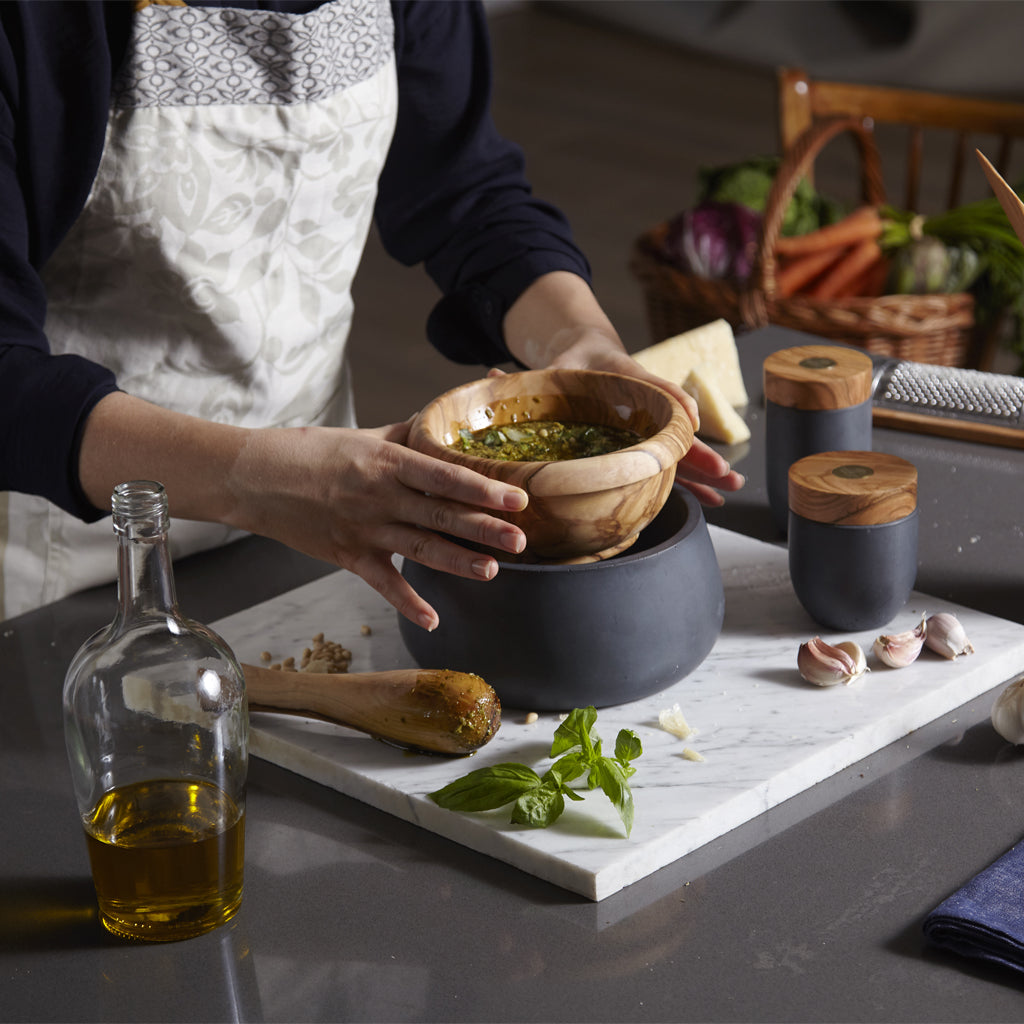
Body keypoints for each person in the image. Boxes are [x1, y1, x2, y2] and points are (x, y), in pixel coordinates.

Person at [0, 0, 742, 627]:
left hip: (324, 522)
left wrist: (579, 341)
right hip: (63, 562)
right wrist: (257, 479)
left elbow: (466, 189)